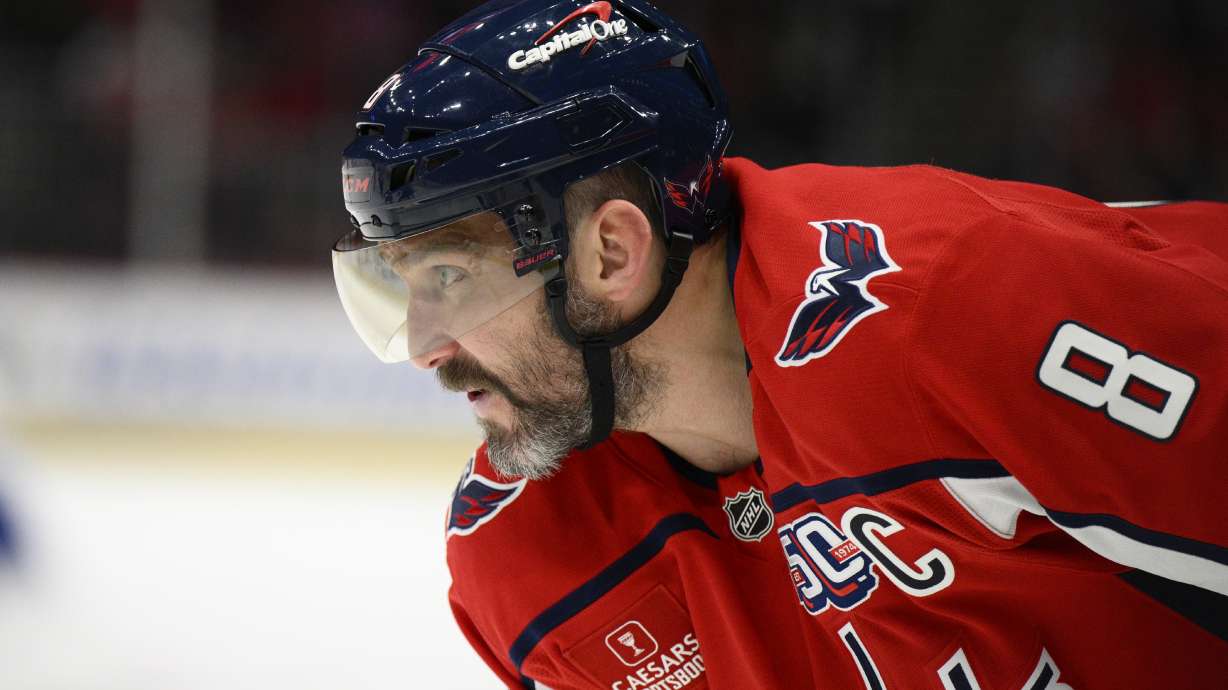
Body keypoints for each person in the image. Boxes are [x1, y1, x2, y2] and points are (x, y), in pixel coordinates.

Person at [331, 0, 1228, 687]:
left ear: (611, 252)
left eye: (449, 278)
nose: (422, 348)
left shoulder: (943, 308)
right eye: (401, 288)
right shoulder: (527, 561)